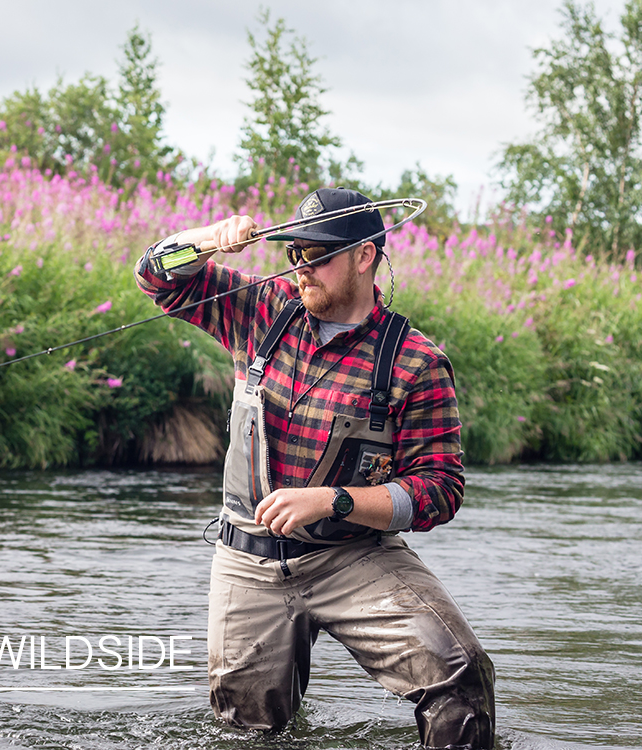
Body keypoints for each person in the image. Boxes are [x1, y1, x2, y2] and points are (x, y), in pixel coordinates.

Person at [135, 187, 496, 749]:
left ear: (364, 256)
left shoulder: (416, 362)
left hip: (353, 556)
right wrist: (208, 240)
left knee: (460, 674)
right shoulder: (262, 308)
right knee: (249, 734)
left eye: (318, 255)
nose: (302, 267)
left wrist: (335, 499)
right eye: (294, 253)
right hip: (247, 558)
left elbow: (440, 489)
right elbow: (157, 277)